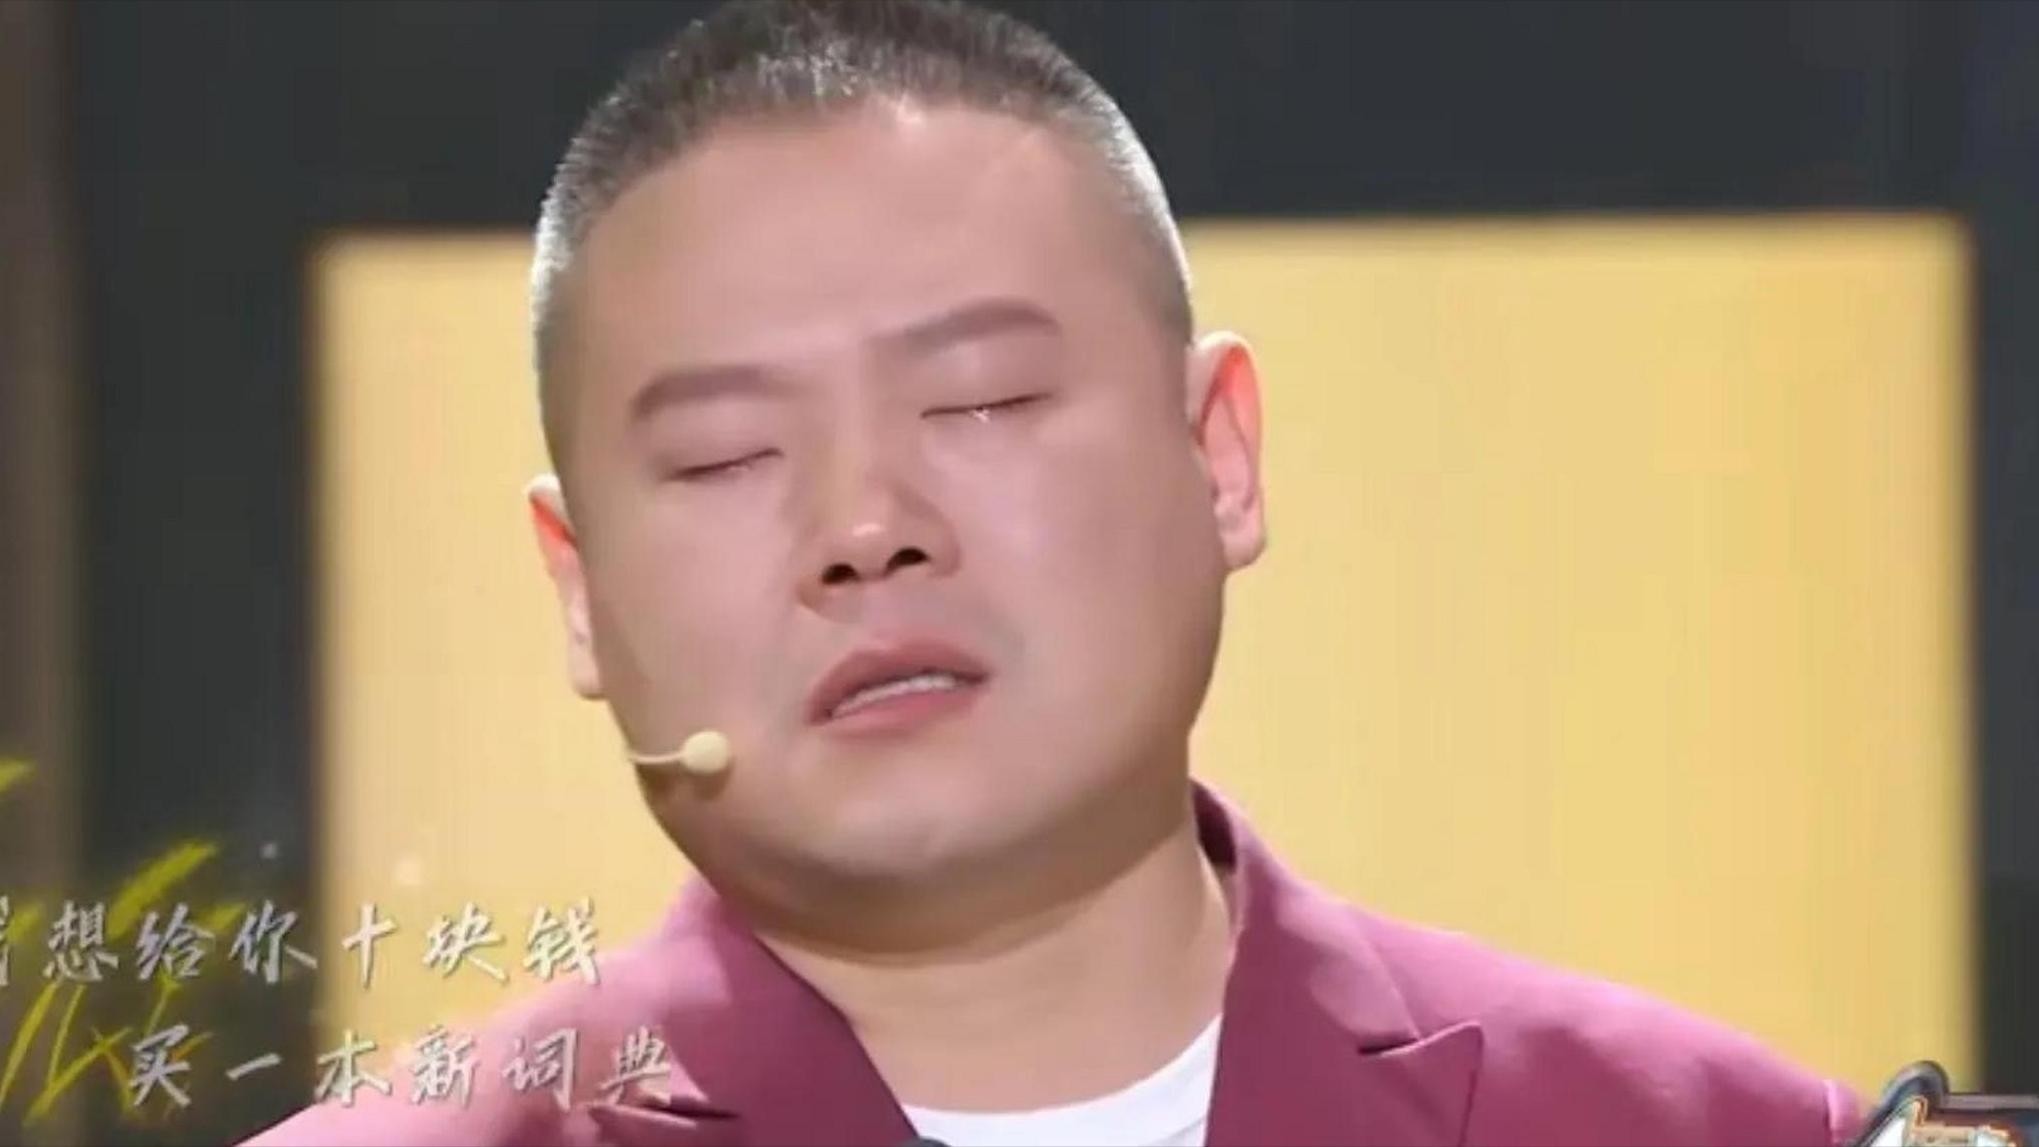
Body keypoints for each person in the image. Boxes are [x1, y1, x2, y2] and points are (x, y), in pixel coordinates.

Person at [246, 1, 1863, 1144]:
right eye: (728, 455)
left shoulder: (1704, 1130)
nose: (866, 526)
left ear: (1219, 454)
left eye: (982, 402)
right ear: (580, 589)